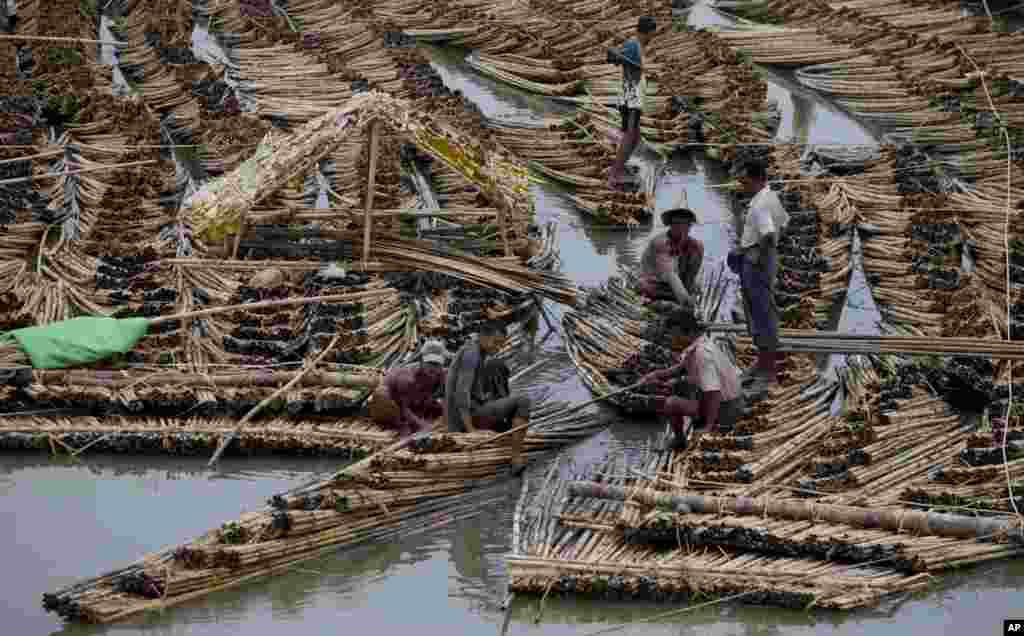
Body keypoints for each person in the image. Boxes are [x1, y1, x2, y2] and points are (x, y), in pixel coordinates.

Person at [639, 310, 745, 450]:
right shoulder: (699, 343)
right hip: (726, 401)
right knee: (681, 386)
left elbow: (714, 393)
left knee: (671, 404)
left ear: (687, 333)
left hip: (728, 407)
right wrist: (655, 375)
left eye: (674, 335)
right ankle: (701, 419)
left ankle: (681, 440)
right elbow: (678, 369)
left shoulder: (702, 354)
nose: (672, 339)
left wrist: (708, 426)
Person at [727, 162, 790, 394]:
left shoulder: (760, 205)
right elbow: (784, 223)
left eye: (744, 182)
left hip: (758, 265)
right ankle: (762, 362)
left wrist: (754, 255)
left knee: (762, 314)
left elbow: (770, 235)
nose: (741, 186)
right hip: (765, 261)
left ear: (757, 179)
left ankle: (769, 371)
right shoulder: (770, 197)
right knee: (759, 312)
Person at [445, 322, 532, 474]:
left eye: (501, 344)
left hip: (466, 413)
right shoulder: (472, 354)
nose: (498, 347)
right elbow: (461, 393)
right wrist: (470, 430)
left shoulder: (476, 350)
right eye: (496, 342)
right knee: (523, 402)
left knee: (496, 366)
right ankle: (516, 457)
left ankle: (507, 427)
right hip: (465, 419)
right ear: (483, 337)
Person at [606, 15, 657, 189]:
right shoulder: (632, 44)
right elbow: (612, 59)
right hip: (632, 98)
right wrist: (615, 55)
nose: (653, 38)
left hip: (635, 96)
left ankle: (619, 166)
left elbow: (635, 67)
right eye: (652, 34)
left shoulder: (638, 45)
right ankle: (615, 175)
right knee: (630, 137)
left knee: (634, 137)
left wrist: (646, 73)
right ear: (648, 32)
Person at [368, 339, 449, 437]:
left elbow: (446, 400)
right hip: (393, 404)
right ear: (421, 361)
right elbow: (404, 408)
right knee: (381, 393)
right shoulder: (407, 378)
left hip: (415, 403)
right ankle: (400, 425)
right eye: (430, 363)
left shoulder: (443, 375)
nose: (433, 368)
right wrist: (423, 426)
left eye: (437, 364)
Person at [638, 208, 704, 308]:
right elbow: (670, 274)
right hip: (656, 285)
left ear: (690, 226)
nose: (681, 228)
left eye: (685, 224)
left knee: (694, 289)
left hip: (678, 288)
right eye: (677, 224)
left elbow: (691, 276)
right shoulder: (661, 243)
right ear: (670, 225)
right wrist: (686, 301)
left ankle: (679, 302)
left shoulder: (696, 246)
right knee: (646, 287)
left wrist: (689, 293)